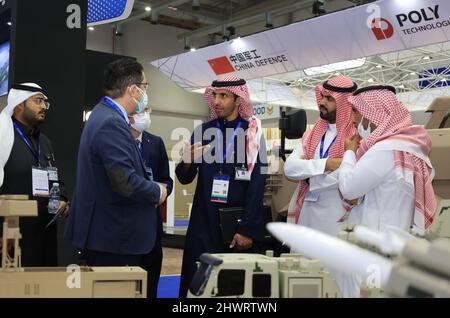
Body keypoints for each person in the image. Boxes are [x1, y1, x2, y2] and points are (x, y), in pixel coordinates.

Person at [65, 58, 167, 298]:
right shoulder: (111, 122)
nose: (146, 94)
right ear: (133, 90)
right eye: (145, 86)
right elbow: (124, 181)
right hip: (114, 238)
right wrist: (157, 192)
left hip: (111, 236)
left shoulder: (103, 115)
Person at [175, 75, 267, 297]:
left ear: (238, 100)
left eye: (224, 96)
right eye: (214, 95)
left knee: (231, 288)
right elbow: (183, 177)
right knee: (196, 287)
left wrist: (246, 229)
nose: (217, 101)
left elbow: (257, 185)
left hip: (234, 228)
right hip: (202, 223)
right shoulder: (202, 131)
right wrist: (187, 160)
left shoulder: (252, 134)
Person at [339, 85, 437, 235]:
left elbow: (348, 189)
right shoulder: (406, 144)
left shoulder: (384, 150)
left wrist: (349, 152)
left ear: (371, 114)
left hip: (377, 238)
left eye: (356, 111)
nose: (353, 119)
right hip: (396, 233)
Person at [0, 83, 69, 266]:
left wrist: (60, 199)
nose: (43, 107)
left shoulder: (44, 141)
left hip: (44, 236)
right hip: (10, 237)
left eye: (45, 102)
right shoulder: (3, 136)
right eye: (38, 101)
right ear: (19, 104)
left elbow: (53, 178)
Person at [284, 75, 358, 236]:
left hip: (337, 217)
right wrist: (329, 164)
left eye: (330, 99)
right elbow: (289, 168)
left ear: (345, 103)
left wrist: (308, 175)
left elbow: (347, 177)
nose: (322, 102)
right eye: (323, 96)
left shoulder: (355, 136)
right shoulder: (311, 134)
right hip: (306, 214)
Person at [128, 106, 173, 298]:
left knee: (150, 283)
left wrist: (161, 192)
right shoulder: (119, 141)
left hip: (151, 227)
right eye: (142, 111)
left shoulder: (155, 142)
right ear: (129, 115)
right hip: (126, 226)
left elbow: (167, 180)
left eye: (148, 110)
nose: (146, 115)